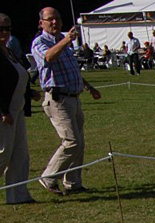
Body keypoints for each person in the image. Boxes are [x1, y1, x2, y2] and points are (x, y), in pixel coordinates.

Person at [32, 7, 101, 195]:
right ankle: (48, 177)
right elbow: (48, 57)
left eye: (57, 19)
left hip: (74, 97)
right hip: (57, 100)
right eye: (50, 19)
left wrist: (89, 87)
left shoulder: (65, 42)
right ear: (41, 23)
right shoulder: (40, 42)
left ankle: (73, 182)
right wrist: (65, 40)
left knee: (79, 143)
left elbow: (73, 71)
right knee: (71, 141)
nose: (55, 22)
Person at [1, 13, 36, 204]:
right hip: (5, 114)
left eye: (8, 29)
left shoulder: (9, 52)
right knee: (3, 155)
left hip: (19, 110)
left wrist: (30, 93)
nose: (5, 33)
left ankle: (18, 195)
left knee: (20, 155)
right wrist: (4, 112)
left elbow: (17, 78)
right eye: (1, 29)